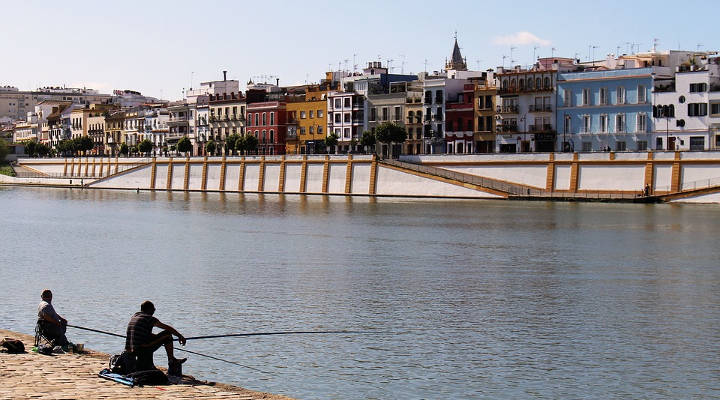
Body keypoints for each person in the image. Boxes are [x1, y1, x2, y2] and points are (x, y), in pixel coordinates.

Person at [125, 300, 186, 371]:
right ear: (149, 309)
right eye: (153, 309)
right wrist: (180, 336)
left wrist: (158, 337)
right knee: (168, 334)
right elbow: (167, 328)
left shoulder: (135, 317)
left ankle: (169, 360)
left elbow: (143, 334)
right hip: (141, 348)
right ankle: (171, 360)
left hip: (130, 350)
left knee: (160, 337)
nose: (154, 311)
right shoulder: (149, 318)